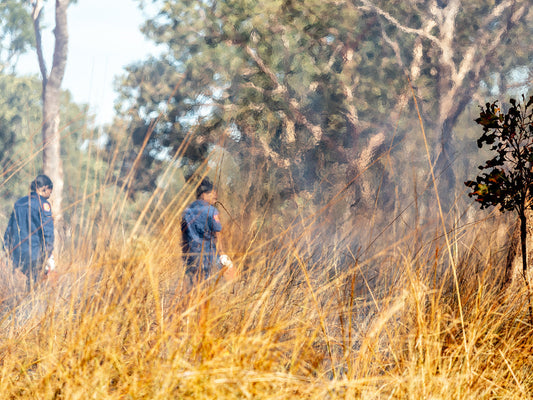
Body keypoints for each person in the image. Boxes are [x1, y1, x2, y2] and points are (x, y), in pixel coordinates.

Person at [3, 174, 56, 290]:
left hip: (17, 254)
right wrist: (48, 253)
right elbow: (48, 232)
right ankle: (33, 306)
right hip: (35, 254)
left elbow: (9, 229)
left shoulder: (19, 203)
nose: (49, 195)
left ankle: (22, 305)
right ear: (45, 188)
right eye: (50, 192)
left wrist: (6, 250)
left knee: (20, 287)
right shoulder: (43, 204)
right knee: (37, 286)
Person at [181, 177, 223, 283]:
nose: (215, 197)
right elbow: (217, 234)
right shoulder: (212, 211)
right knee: (211, 286)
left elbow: (184, 237)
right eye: (212, 194)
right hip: (209, 256)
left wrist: (186, 257)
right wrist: (222, 254)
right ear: (203, 195)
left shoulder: (187, 211)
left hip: (191, 257)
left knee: (193, 286)